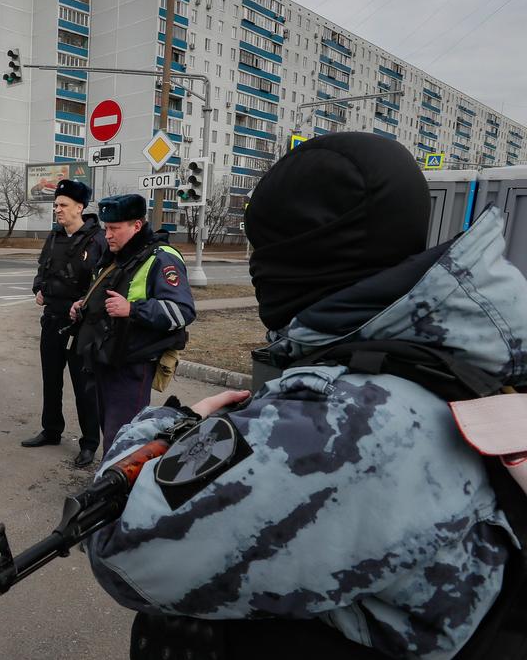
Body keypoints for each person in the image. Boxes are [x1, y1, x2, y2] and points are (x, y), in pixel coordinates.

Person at [86, 133, 527, 659]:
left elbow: (123, 552)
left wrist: (170, 424)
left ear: (304, 253)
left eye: (264, 248)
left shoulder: (342, 421)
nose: (256, 268)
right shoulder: (452, 356)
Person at [70, 193, 194, 457]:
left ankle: (117, 481)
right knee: (111, 434)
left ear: (137, 225)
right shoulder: (117, 255)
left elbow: (183, 311)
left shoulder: (161, 257)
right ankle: (109, 475)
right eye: (106, 228)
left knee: (124, 440)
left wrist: (133, 309)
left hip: (131, 366)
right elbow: (105, 293)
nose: (107, 235)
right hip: (104, 359)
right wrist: (83, 305)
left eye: (114, 228)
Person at [22, 179, 107, 467]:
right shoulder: (54, 236)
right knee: (51, 380)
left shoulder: (97, 240)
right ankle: (51, 430)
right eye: (56, 204)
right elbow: (42, 268)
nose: (57, 209)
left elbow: (104, 281)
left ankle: (89, 443)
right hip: (52, 320)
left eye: (63, 205)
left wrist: (84, 302)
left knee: (84, 387)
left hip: (81, 326)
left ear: (79, 207)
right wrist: (38, 289)